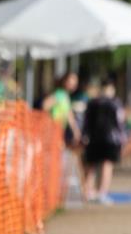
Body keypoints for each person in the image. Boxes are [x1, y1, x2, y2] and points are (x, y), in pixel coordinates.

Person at [82, 77, 125, 205]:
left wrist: (85, 135)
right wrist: (123, 137)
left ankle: (88, 192)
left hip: (93, 139)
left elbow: (86, 121)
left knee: (91, 166)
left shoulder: (92, 102)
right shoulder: (115, 103)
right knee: (107, 166)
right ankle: (102, 193)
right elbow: (120, 121)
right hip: (110, 139)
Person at [43, 72, 81, 149]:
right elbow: (45, 105)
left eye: (75, 83)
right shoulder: (60, 94)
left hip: (59, 131)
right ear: (64, 81)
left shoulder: (66, 96)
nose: (73, 85)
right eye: (70, 82)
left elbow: (69, 115)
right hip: (53, 131)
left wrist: (76, 131)